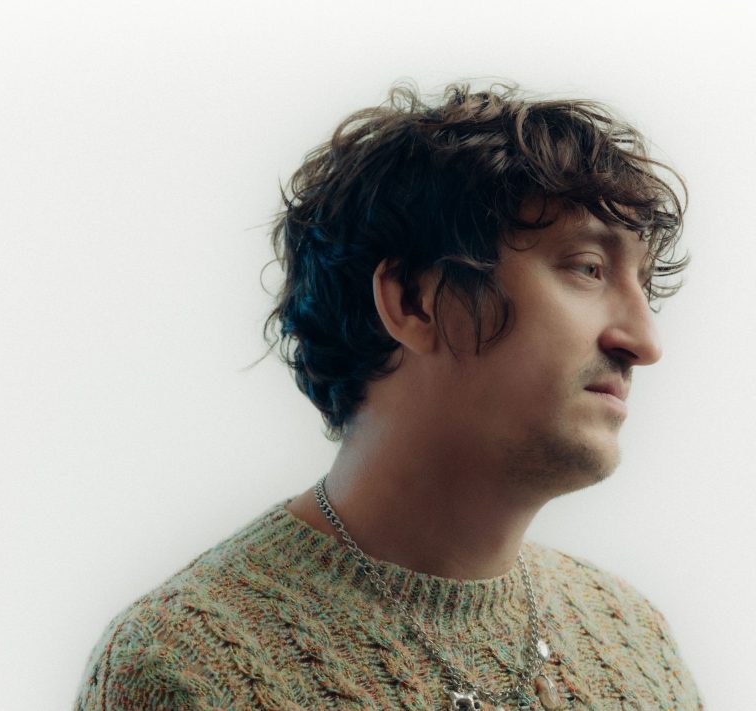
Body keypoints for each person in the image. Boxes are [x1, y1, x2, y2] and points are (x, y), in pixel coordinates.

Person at [75, 81, 703, 710]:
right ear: (411, 300)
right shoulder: (186, 669)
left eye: (644, 285)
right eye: (588, 268)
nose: (644, 342)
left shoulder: (635, 644)